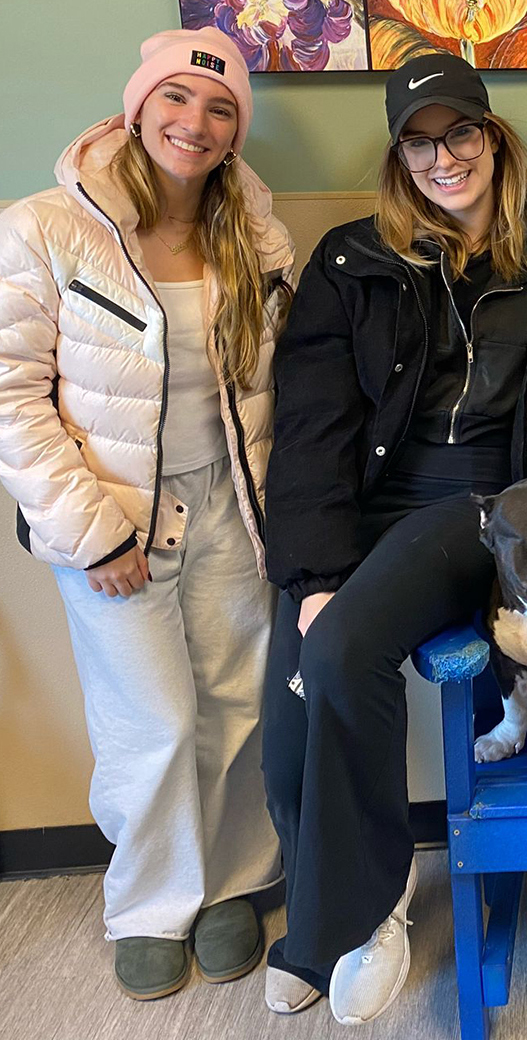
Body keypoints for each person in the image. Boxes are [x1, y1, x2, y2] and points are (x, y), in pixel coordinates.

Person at [260, 54, 527, 1024]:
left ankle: (362, 913)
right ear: (399, 156)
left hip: (486, 515)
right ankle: (333, 905)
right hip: (364, 514)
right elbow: (311, 433)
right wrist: (312, 573)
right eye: (419, 142)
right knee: (300, 681)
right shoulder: (353, 262)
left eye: (460, 133)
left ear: (493, 135)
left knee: (341, 645)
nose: (443, 157)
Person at [0, 29, 292, 1000]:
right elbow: (13, 397)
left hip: (232, 508)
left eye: (219, 109)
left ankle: (235, 884)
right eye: (175, 100)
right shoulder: (45, 227)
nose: (195, 123)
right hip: (115, 517)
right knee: (153, 719)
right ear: (137, 107)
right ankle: (152, 901)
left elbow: (276, 384)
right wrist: (92, 530)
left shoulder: (252, 233)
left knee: (238, 704)